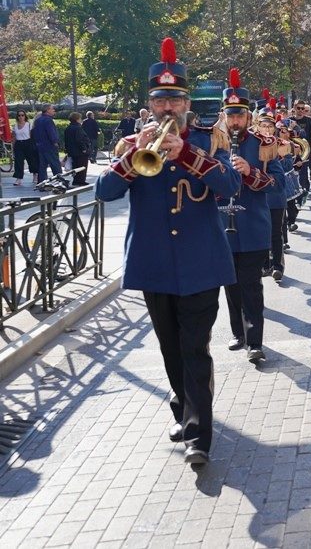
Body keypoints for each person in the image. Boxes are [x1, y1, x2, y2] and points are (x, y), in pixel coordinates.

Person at [95, 38, 240, 467]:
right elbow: (104, 191)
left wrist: (189, 154)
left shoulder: (210, 140)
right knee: (170, 348)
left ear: (187, 101)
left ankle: (199, 436)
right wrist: (131, 157)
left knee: (195, 347)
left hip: (200, 263)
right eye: (160, 101)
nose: (168, 109)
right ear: (151, 104)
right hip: (154, 263)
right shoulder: (130, 144)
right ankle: (184, 410)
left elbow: (230, 186)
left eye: (175, 99)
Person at [218, 70, 284, 362]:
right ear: (224, 115)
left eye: (240, 116)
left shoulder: (263, 144)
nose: (235, 121)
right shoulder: (213, 144)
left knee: (252, 285)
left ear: (248, 117)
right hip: (221, 224)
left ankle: (255, 341)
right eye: (230, 115)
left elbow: (279, 182)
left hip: (253, 225)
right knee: (230, 285)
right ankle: (238, 333)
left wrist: (251, 172)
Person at [258, 108, 288, 282]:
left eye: (270, 126)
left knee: (276, 233)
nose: (267, 129)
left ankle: (278, 266)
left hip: (275, 197)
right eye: (263, 126)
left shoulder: (282, 144)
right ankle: (264, 265)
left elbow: (290, 164)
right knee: (260, 232)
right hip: (259, 197)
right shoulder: (253, 144)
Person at [32, 104, 62, 183]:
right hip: (49, 146)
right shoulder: (48, 120)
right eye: (52, 109)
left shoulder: (38, 120)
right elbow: (51, 133)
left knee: (42, 166)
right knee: (55, 165)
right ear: (47, 110)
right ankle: (60, 182)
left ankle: (42, 183)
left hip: (40, 146)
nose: (54, 110)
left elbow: (34, 133)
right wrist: (55, 142)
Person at [63, 112, 91, 186]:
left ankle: (76, 180)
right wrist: (84, 149)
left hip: (72, 151)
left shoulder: (68, 128)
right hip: (80, 152)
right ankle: (81, 181)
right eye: (80, 118)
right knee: (82, 166)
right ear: (77, 119)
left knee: (75, 166)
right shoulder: (78, 128)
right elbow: (79, 140)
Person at [12, 111, 38, 186]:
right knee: (18, 161)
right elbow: (14, 138)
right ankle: (18, 178)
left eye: (22, 115)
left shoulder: (28, 125)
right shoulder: (15, 126)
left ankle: (35, 175)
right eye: (19, 115)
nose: (21, 117)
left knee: (31, 160)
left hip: (28, 143)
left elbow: (31, 136)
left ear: (25, 116)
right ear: (17, 117)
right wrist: (13, 148)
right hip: (18, 144)